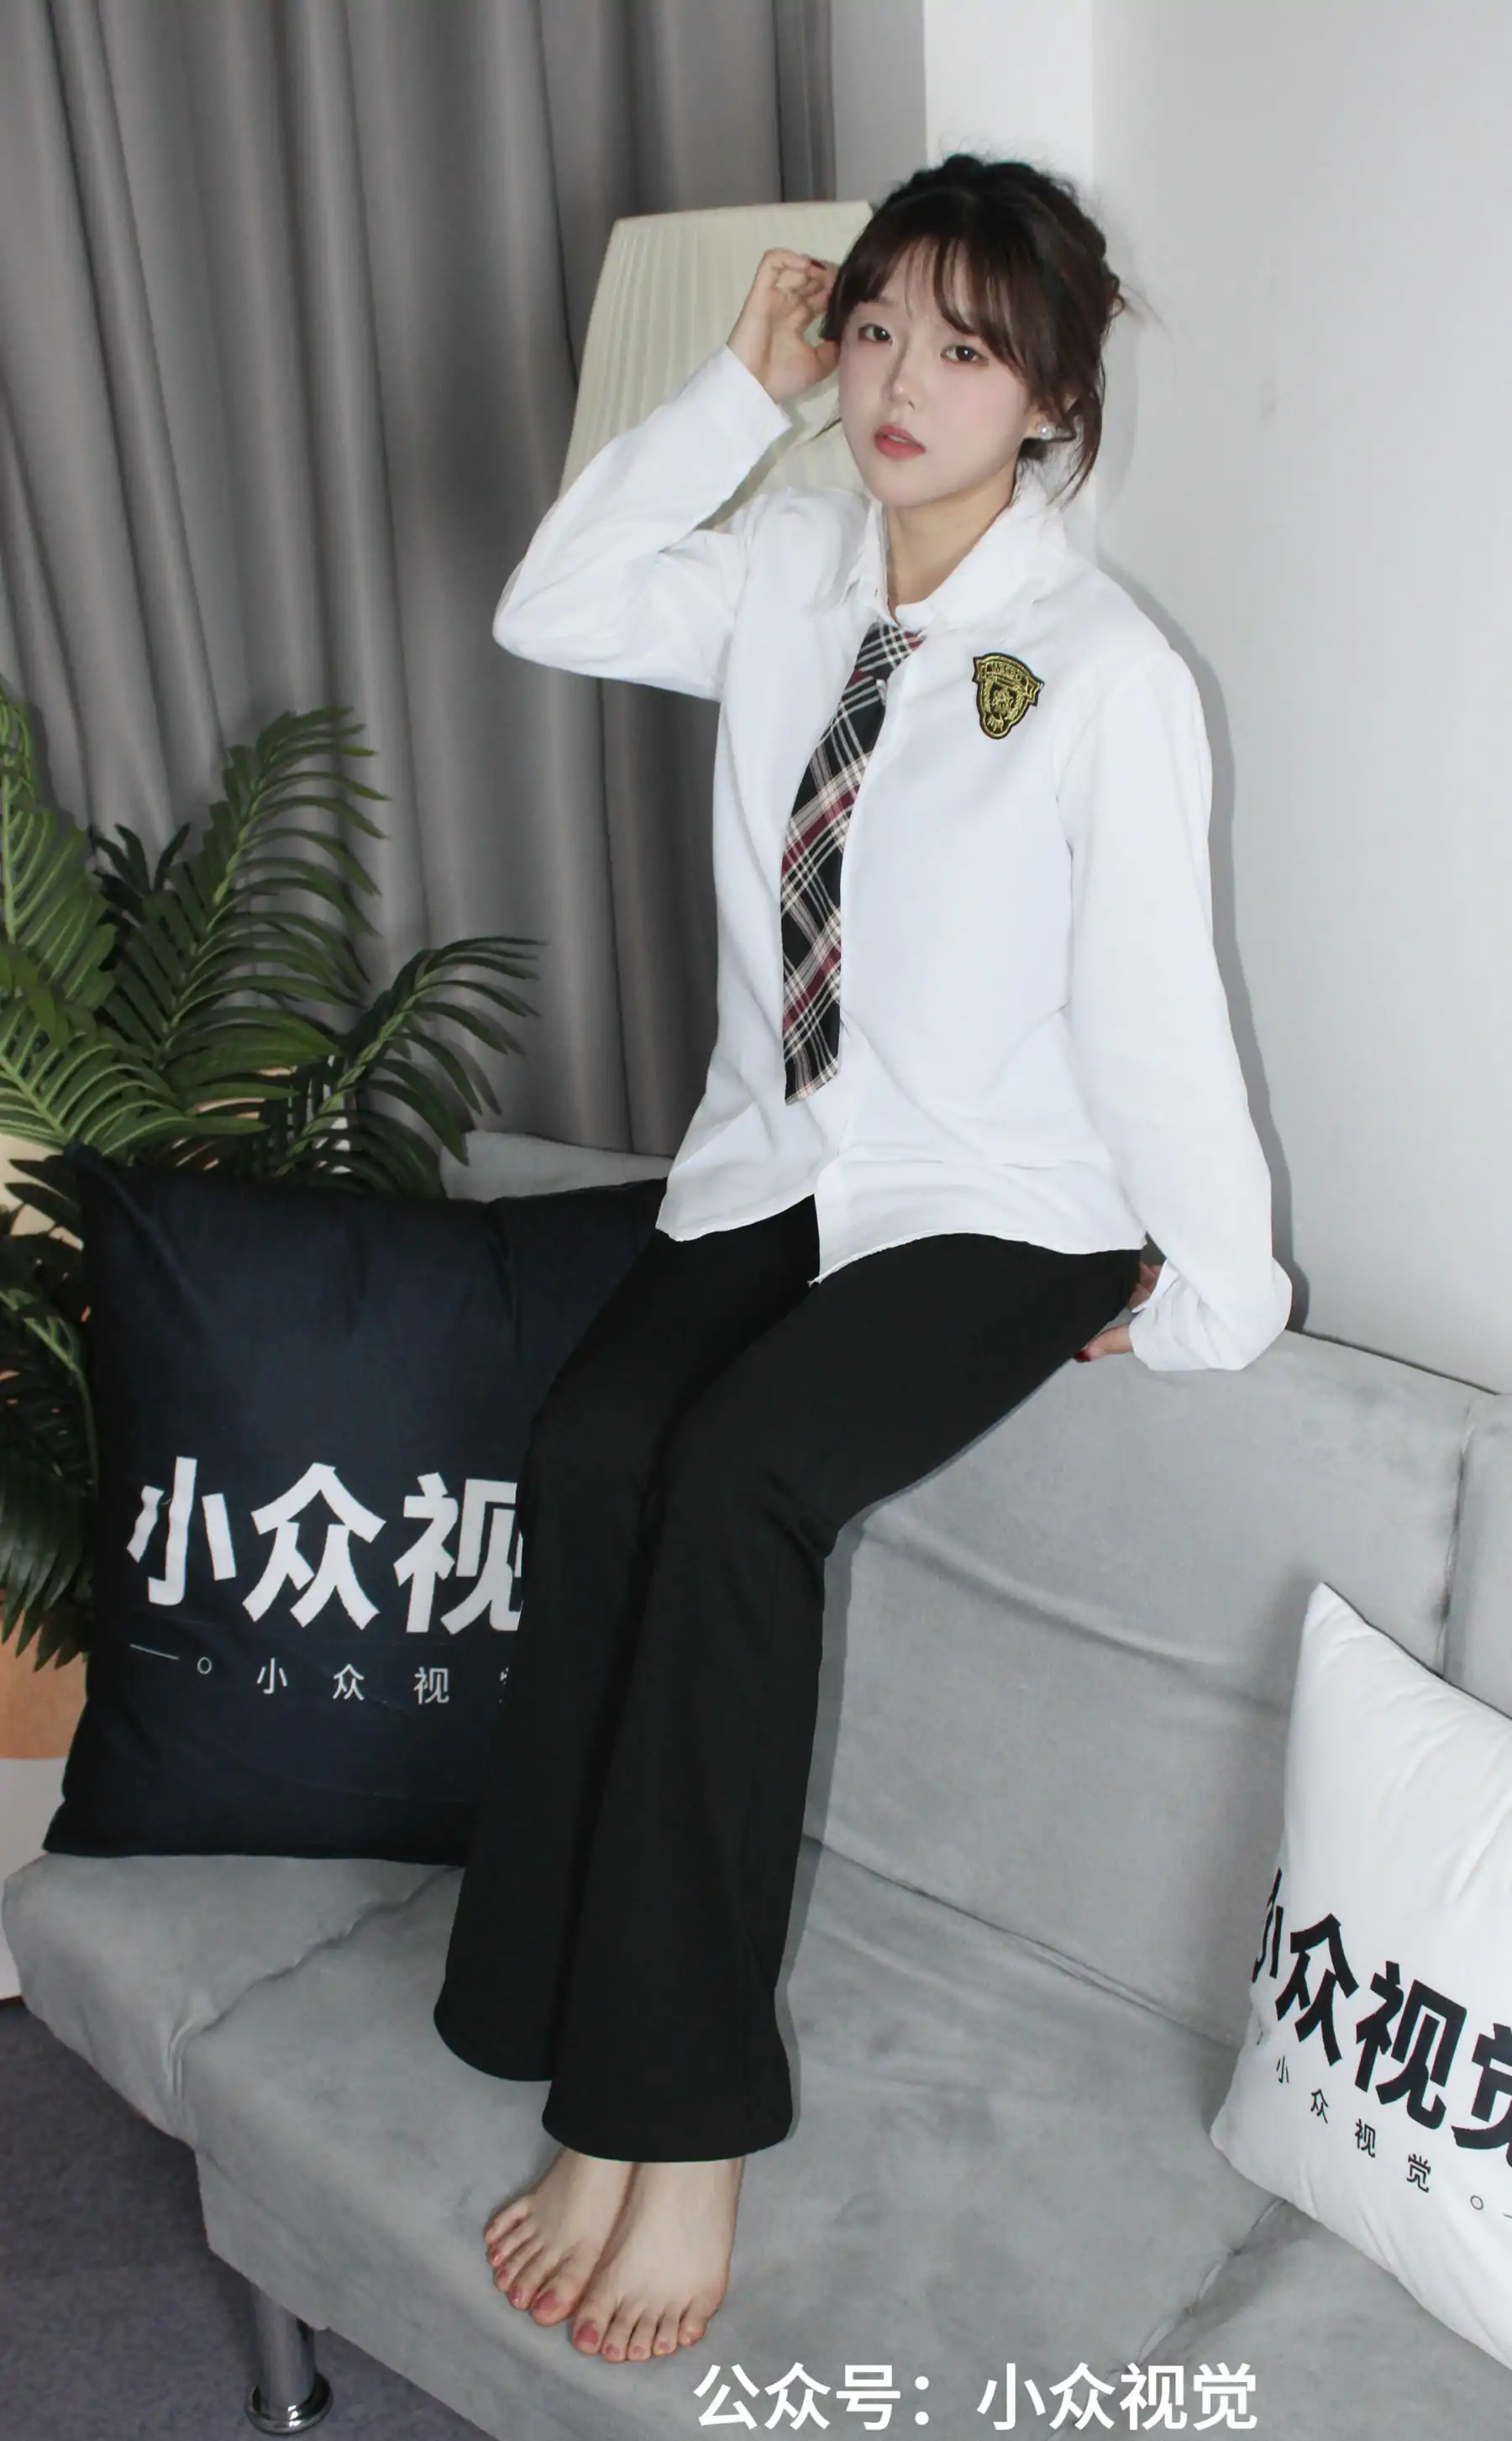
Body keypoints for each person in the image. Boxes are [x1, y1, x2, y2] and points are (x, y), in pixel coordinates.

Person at [431, 153, 1293, 2370]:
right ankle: (566, 2042)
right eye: (878, 327)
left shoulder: (1102, 672)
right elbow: (553, 602)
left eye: (967, 350)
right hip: (782, 1164)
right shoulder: (791, 563)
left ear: (1053, 401)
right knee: (596, 1447)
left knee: (739, 1486)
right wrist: (739, 389)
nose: (903, 380)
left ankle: (679, 2126)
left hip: (1006, 1201)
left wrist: (1216, 1292)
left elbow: (1151, 1008)